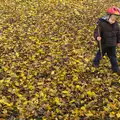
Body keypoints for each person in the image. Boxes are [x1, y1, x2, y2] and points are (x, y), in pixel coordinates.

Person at [93, 6, 120, 75]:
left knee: (113, 57)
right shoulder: (102, 24)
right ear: (109, 16)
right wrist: (97, 37)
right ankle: (95, 64)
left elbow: (118, 34)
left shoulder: (116, 24)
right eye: (113, 16)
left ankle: (116, 69)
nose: (115, 19)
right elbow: (96, 32)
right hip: (104, 43)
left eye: (116, 17)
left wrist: (118, 41)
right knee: (99, 55)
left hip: (112, 44)